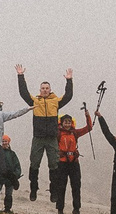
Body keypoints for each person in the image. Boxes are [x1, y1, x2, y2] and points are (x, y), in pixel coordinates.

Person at [15, 66, 75, 201]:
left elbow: (68, 96)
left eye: (47, 88)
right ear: (40, 90)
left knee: (54, 165)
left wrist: (69, 80)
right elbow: (23, 93)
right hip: (38, 138)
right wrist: (20, 76)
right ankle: (33, 188)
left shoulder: (56, 101)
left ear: (50, 89)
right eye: (43, 88)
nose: (45, 90)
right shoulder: (35, 101)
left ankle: (53, 191)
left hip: (52, 138)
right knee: (34, 164)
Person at [52, 106, 93, 214]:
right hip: (62, 163)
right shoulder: (57, 133)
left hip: (74, 162)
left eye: (69, 122)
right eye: (65, 122)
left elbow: (89, 127)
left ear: (72, 123)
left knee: (76, 186)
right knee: (61, 186)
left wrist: (87, 115)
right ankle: (60, 210)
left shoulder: (74, 132)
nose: (67, 124)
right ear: (61, 122)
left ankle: (76, 209)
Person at [0, 134, 22, 212]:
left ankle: (7, 209)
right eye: (3, 141)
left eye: (5, 141)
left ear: (8, 142)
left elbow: (17, 166)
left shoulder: (12, 154)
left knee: (9, 194)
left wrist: (15, 176)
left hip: (10, 178)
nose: (4, 143)